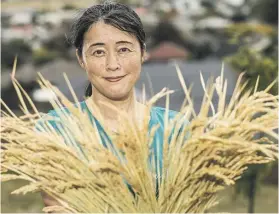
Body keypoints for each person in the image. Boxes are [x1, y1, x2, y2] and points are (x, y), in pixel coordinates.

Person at [39, 1, 186, 207]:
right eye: (98, 52)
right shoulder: (55, 130)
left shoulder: (176, 129)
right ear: (81, 59)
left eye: (124, 49)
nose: (113, 64)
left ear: (143, 52)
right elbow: (57, 207)